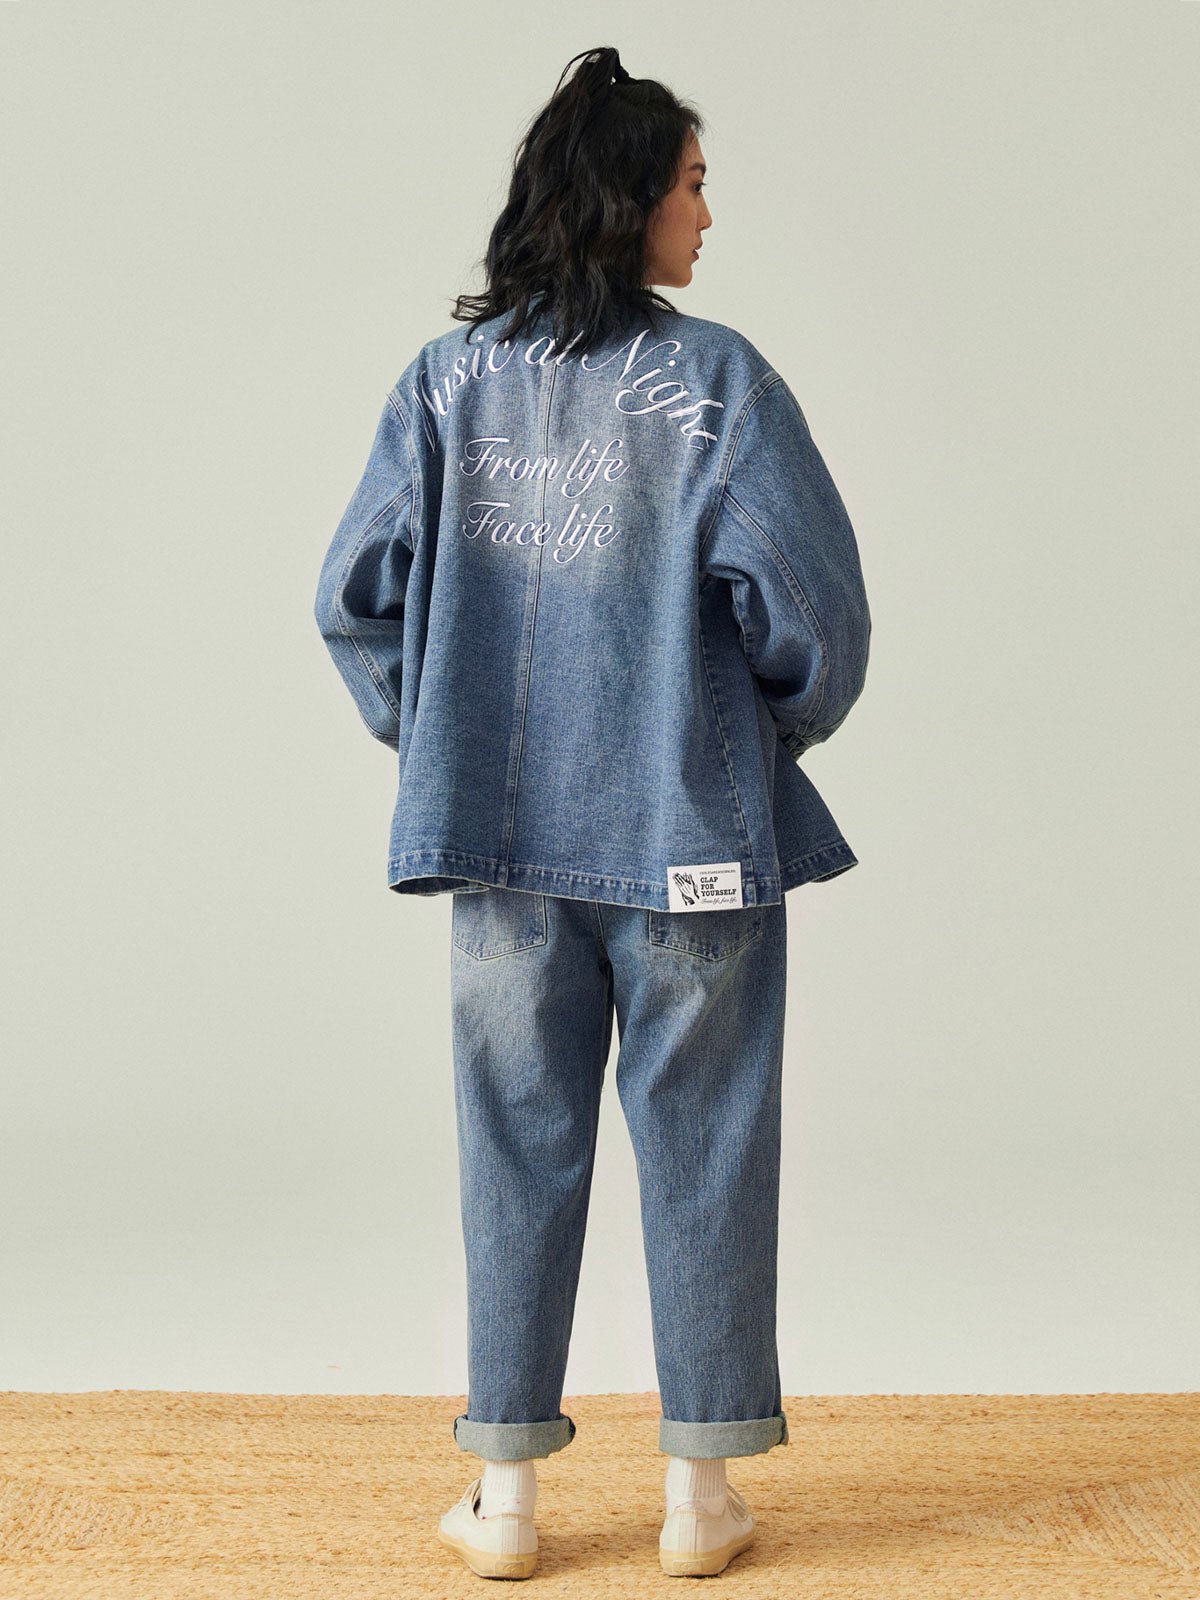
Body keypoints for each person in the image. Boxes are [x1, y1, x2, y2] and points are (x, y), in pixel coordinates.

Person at [313, 43, 871, 1581]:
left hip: (500, 846)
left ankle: (504, 1504)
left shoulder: (445, 385)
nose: (709, 213)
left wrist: (441, 735)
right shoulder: (722, 384)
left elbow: (355, 599)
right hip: (688, 836)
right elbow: (817, 619)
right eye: (693, 183)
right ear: (633, 199)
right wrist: (749, 736)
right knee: (708, 1144)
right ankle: (701, 1498)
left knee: (514, 1146)